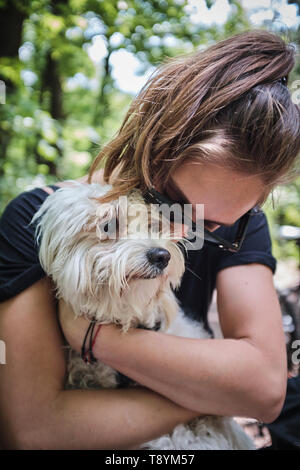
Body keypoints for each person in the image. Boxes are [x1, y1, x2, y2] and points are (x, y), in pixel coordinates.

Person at [0, 29, 300, 450]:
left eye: (212, 228)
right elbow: (34, 431)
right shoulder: (35, 219)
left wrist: (92, 335)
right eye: (173, 202)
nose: (181, 233)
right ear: (149, 145)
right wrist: (208, 393)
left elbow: (266, 391)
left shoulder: (240, 225)